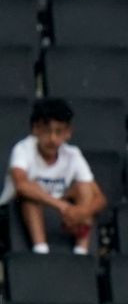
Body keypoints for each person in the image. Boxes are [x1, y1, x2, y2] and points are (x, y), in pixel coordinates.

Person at [1, 98, 105, 255]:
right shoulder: (23, 149)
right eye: (46, 131)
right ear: (35, 129)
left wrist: (82, 212)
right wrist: (62, 206)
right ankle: (40, 251)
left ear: (68, 132)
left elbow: (100, 199)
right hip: (18, 214)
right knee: (31, 190)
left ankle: (81, 252)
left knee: (84, 189)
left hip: (60, 216)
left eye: (59, 132)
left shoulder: (73, 154)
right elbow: (21, 185)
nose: (52, 139)